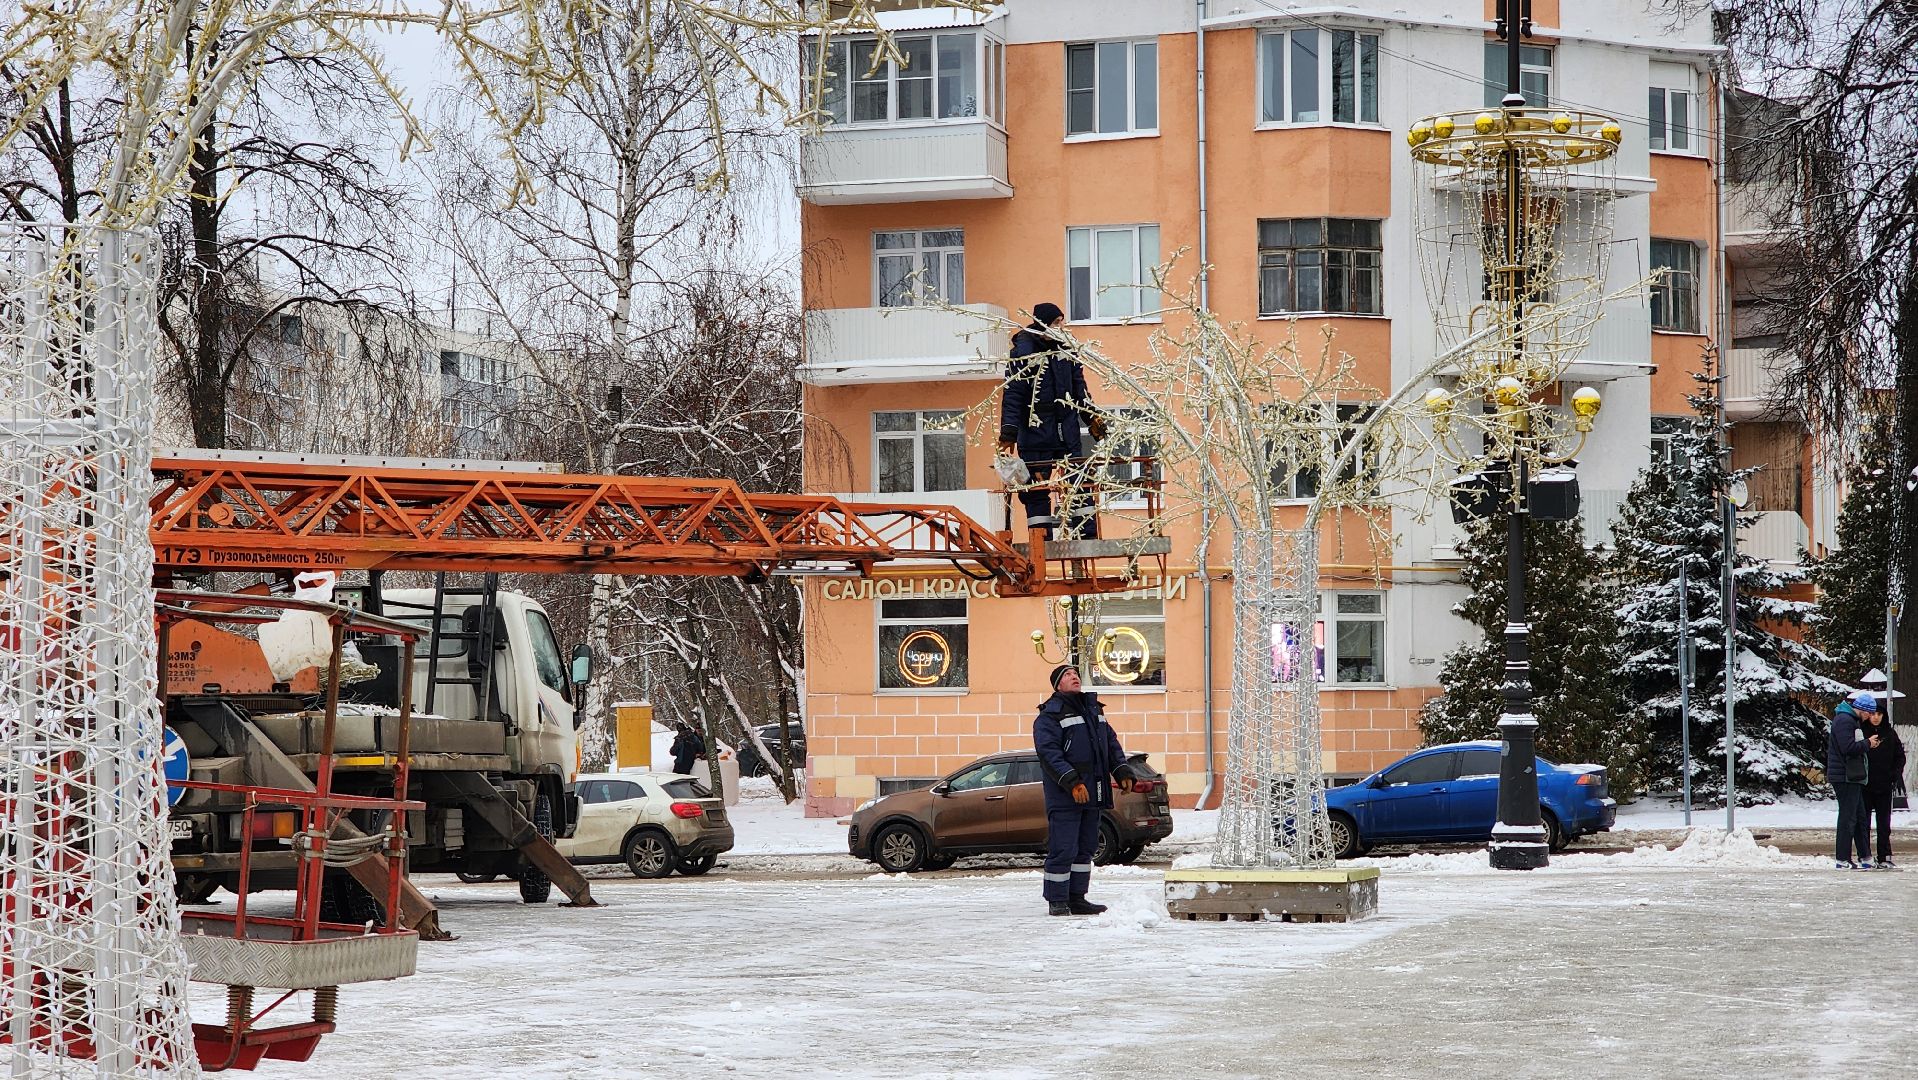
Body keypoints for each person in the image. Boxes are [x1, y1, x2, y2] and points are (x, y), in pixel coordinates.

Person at [1032, 664, 1135, 916]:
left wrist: (1122, 770)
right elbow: (1049, 754)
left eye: (1076, 674)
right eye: (1067, 675)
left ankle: (1077, 898)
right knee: (1063, 848)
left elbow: (1110, 743)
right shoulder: (1050, 716)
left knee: (1085, 848)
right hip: (1065, 796)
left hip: (1093, 792)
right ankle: (1057, 900)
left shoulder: (1094, 710)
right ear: (1058, 685)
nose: (1074, 677)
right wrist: (1072, 782)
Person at [997, 302, 1106, 540]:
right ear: (1043, 324)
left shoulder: (1066, 352)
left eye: (1062, 322)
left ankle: (1086, 537)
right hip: (1035, 434)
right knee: (1036, 490)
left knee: (1079, 484)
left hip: (1067, 432)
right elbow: (1013, 395)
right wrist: (1008, 433)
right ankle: (1041, 541)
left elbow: (1079, 390)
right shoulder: (1023, 355)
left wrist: (1091, 417)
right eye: (1057, 322)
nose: (1061, 327)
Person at [1828, 689, 1881, 869]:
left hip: (1851, 776)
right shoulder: (1844, 720)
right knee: (1848, 817)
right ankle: (1842, 859)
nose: (1870, 717)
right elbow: (1848, 748)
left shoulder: (1850, 720)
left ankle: (1865, 857)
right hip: (1845, 776)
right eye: (1870, 713)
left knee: (1859, 817)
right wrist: (1867, 743)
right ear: (1863, 710)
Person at [1860, 693, 1906, 869]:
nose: (1876, 717)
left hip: (1884, 785)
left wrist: (1894, 774)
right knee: (1863, 822)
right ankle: (1865, 855)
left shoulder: (1890, 733)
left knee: (1884, 823)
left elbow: (1900, 757)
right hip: (1865, 785)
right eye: (1873, 714)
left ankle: (1884, 856)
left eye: (1879, 714)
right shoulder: (1862, 732)